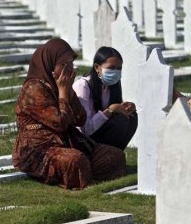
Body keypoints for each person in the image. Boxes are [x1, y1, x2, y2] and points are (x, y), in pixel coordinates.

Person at [12, 38, 126, 190]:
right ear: (50, 64)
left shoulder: (61, 85)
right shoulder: (33, 89)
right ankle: (79, 174)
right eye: (63, 65)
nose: (69, 70)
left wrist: (68, 91)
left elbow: (80, 118)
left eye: (70, 64)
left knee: (115, 156)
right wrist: (64, 93)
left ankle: (87, 173)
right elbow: (60, 123)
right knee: (76, 161)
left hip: (69, 143)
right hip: (40, 150)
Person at [73, 47, 137, 150]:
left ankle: (115, 156)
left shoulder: (111, 85)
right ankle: (104, 157)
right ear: (97, 67)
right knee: (120, 121)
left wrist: (126, 107)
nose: (115, 72)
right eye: (111, 68)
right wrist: (110, 110)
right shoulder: (83, 86)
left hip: (99, 131)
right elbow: (84, 129)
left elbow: (115, 106)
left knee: (131, 116)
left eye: (119, 68)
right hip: (83, 139)